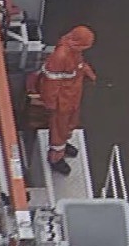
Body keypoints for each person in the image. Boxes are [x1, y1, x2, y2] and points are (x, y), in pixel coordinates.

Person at [33, 25, 97, 175]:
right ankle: (55, 157)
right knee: (59, 129)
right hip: (62, 101)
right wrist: (51, 102)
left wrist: (88, 72)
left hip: (72, 96)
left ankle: (62, 144)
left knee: (70, 124)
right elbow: (50, 82)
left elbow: (78, 66)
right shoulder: (61, 56)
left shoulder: (74, 51)